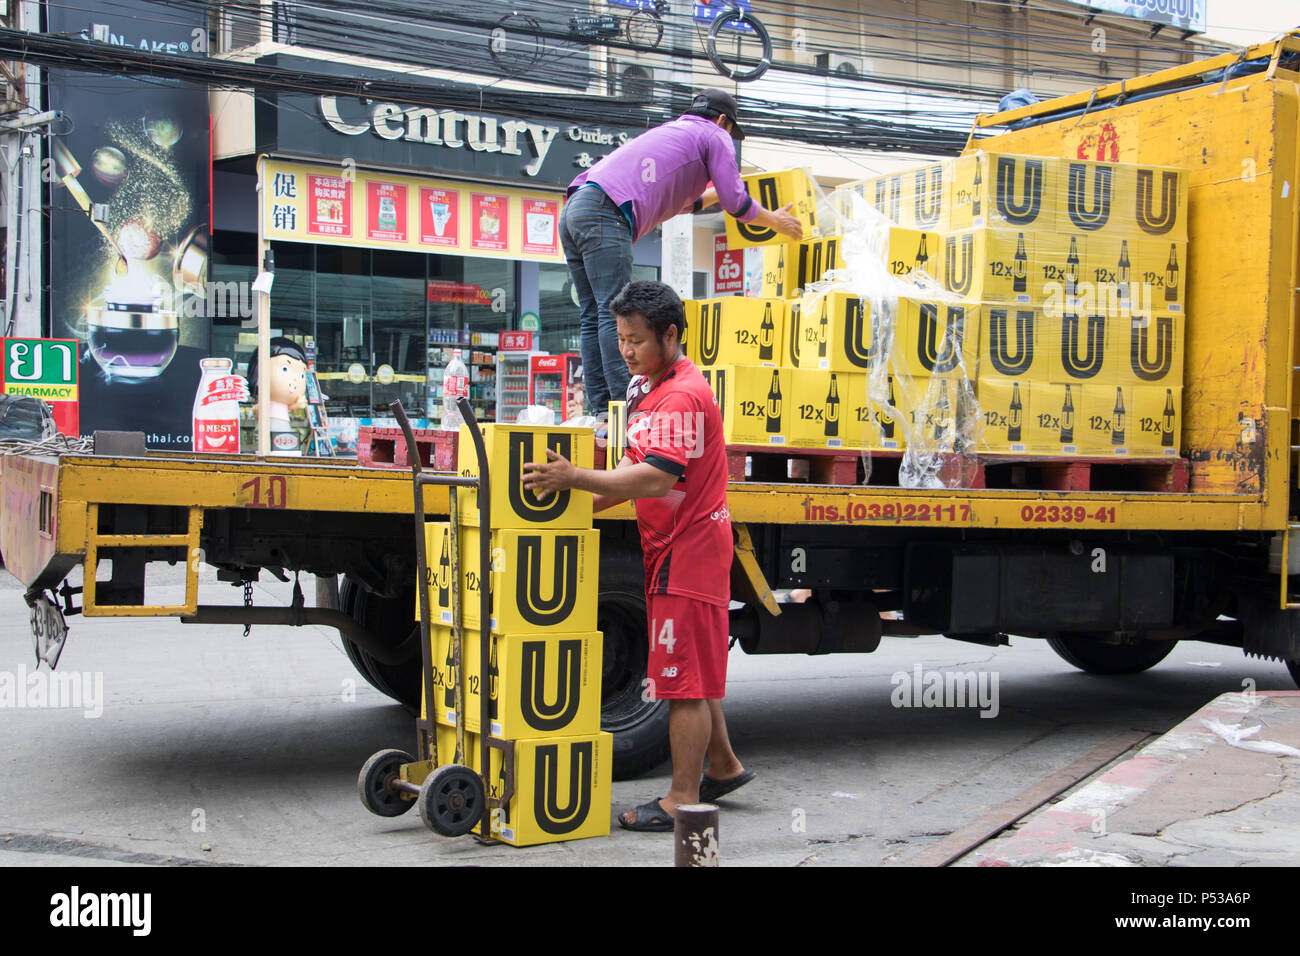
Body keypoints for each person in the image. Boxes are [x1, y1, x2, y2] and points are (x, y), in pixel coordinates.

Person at [521, 280, 753, 832]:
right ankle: (721, 764)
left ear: (670, 335)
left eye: (636, 340)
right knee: (692, 670)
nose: (625, 349)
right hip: (668, 547)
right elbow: (631, 469)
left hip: (689, 551)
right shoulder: (648, 385)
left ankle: (682, 798)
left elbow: (655, 476)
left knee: (681, 682)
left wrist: (574, 476)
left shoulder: (681, 396)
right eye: (621, 338)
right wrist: (576, 502)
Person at [561, 88, 804, 418]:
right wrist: (774, 219)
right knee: (612, 310)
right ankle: (622, 408)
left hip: (577, 207)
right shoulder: (715, 135)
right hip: (606, 211)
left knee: (593, 312)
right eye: (730, 131)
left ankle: (604, 410)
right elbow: (736, 203)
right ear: (722, 120)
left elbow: (682, 202)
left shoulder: (676, 133)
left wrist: (716, 193)